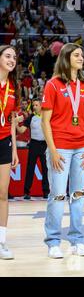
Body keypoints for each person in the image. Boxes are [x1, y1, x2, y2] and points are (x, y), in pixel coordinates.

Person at [41, 43, 84, 258]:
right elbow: (46, 122)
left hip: (83, 147)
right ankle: (53, 242)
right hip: (61, 148)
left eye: (82, 55)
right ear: (66, 57)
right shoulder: (53, 85)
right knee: (57, 195)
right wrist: (53, 150)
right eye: (76, 55)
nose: (81, 58)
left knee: (79, 194)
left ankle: (77, 241)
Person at [0, 45, 20, 260]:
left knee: (3, 193)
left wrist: (14, 148)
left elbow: (13, 120)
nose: (11, 59)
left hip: (4, 141)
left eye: (14, 57)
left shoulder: (14, 87)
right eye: (7, 56)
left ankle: (1, 241)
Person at [19, 98, 49, 199]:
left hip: (45, 144)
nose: (34, 107)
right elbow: (22, 130)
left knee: (46, 169)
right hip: (34, 144)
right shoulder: (31, 117)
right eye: (33, 105)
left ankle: (46, 192)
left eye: (36, 105)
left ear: (41, 106)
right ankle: (26, 192)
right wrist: (15, 124)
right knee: (30, 168)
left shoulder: (47, 116)